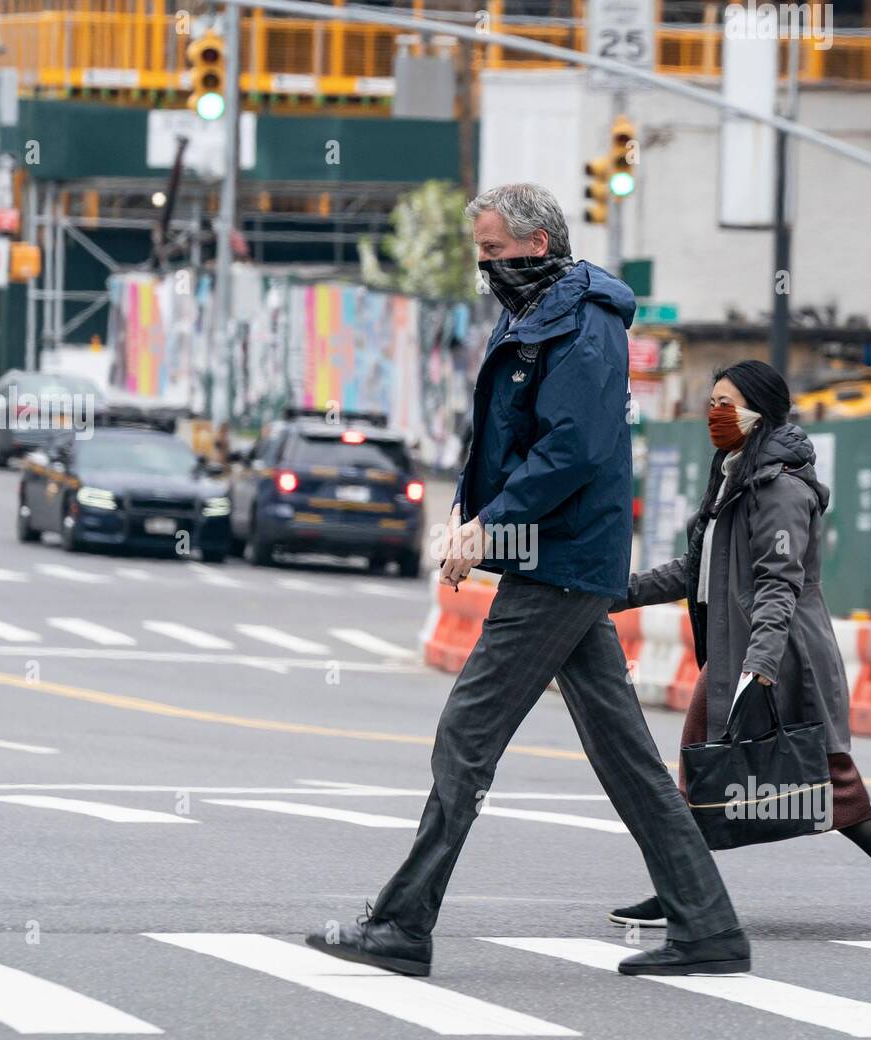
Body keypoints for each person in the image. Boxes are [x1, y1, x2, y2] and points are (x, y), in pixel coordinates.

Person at [307, 182, 748, 978]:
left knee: (465, 739)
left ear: (536, 245)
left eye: (490, 249)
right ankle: (709, 926)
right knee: (625, 756)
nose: (482, 265)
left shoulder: (584, 324)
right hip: (558, 558)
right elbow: (506, 440)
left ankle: (403, 925)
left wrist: (489, 527)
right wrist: (463, 515)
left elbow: (571, 450)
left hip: (563, 562)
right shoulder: (537, 313)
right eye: (478, 249)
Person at [608, 360, 871, 931]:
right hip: (741, 650)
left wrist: (758, 668)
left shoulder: (781, 487)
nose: (715, 415)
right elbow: (698, 570)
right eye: (711, 402)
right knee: (740, 766)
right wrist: (619, 593)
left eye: (726, 403)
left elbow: (778, 585)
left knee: (813, 771)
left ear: (761, 412)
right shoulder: (735, 474)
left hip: (781, 653)